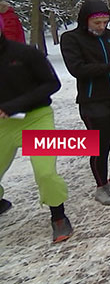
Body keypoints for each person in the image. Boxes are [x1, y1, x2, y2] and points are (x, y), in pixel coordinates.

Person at [0, 15, 72, 242]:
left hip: (36, 118)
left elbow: (53, 83)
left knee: (45, 172)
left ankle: (58, 216)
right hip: (3, 124)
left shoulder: (25, 53)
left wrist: (13, 106)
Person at [60, 0, 110, 205]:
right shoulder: (71, 38)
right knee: (101, 146)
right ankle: (101, 186)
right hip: (93, 100)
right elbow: (78, 69)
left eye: (105, 22)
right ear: (86, 21)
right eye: (97, 23)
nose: (102, 27)